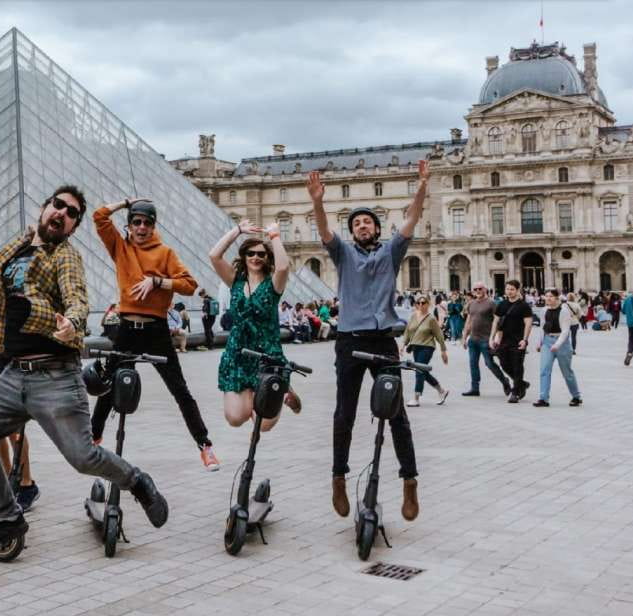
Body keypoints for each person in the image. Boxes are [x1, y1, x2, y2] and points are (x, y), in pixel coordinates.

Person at [0, 184, 168, 555]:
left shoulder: (65, 256)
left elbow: (76, 297)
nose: (62, 214)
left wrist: (73, 323)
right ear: (43, 206)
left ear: (73, 227)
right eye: (59, 206)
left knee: (83, 458)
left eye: (72, 214)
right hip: (13, 372)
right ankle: (6, 517)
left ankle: (137, 481)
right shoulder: (14, 249)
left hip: (55, 375)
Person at [309, 160, 429, 523]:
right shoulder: (342, 254)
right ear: (353, 231)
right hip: (348, 342)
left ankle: (409, 482)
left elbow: (412, 218)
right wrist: (317, 201)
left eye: (367, 222)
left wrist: (421, 185)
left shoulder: (391, 252)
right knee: (344, 411)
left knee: (397, 415)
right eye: (356, 223)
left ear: (377, 228)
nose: (362, 226)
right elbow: (325, 229)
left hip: (382, 343)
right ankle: (338, 477)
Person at [90, 198, 219, 471]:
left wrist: (157, 281)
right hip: (126, 328)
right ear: (129, 224)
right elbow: (99, 216)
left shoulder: (165, 253)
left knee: (180, 390)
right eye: (136, 221)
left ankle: (204, 445)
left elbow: (189, 285)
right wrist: (126, 202)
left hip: (156, 330)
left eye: (147, 222)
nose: (142, 227)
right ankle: (94, 438)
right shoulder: (120, 247)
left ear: (154, 226)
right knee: (108, 386)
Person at [209, 219, 301, 431]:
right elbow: (214, 256)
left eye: (261, 254)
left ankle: (280, 389)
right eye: (251, 253)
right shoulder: (235, 281)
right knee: (236, 418)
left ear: (267, 257)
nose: (256, 257)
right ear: (244, 257)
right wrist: (237, 230)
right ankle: (281, 390)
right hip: (238, 355)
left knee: (263, 425)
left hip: (267, 355)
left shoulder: (273, 285)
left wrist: (275, 236)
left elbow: (284, 266)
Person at [532, 289, 582, 407]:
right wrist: (540, 342)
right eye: (546, 296)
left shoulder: (564, 311)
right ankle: (543, 398)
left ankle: (576, 396)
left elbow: (565, 331)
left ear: (557, 298)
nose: (548, 298)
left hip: (562, 343)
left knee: (567, 372)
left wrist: (557, 345)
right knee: (544, 370)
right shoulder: (544, 310)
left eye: (551, 296)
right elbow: (543, 328)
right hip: (547, 341)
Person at [460, 281, 511, 397]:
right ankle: (475, 388)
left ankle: (505, 381)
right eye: (475, 289)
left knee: (489, 364)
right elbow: (469, 321)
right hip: (473, 339)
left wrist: (497, 337)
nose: (478, 291)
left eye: (480, 289)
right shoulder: (471, 303)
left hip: (486, 339)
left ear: (485, 290)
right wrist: (464, 337)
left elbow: (497, 321)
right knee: (473, 363)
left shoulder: (491, 303)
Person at [400, 294, 450, 407]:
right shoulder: (413, 316)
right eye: (419, 303)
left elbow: (439, 335)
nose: (421, 305)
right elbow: (408, 331)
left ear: (428, 304)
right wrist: (402, 345)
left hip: (427, 347)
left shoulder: (431, 318)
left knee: (419, 370)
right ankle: (442, 391)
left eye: (423, 303)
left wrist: (443, 351)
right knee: (423, 371)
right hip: (415, 348)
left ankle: (416, 398)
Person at [490, 280, 533, 403]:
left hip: (518, 340)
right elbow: (495, 322)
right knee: (504, 364)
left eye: (512, 289)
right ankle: (521, 383)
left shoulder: (524, 306)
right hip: (504, 340)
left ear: (518, 290)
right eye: (507, 289)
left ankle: (515, 392)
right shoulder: (501, 304)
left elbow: (528, 324)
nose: (509, 291)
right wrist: (492, 338)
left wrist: (525, 340)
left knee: (517, 365)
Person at [623, 291, 633, 366]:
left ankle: (629, 352)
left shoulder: (627, 299)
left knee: (631, 339)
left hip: (630, 323)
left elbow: (623, 311)